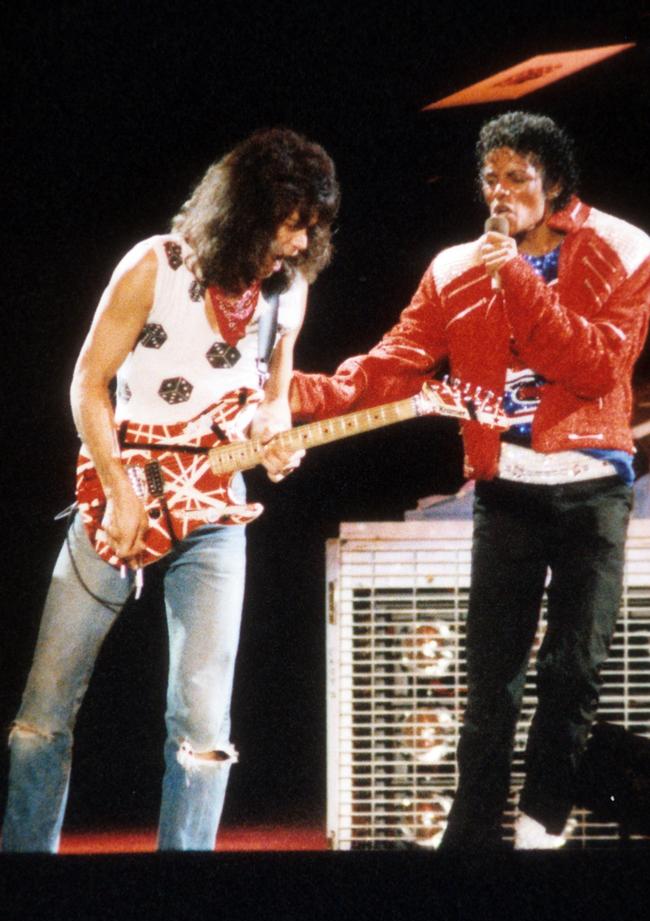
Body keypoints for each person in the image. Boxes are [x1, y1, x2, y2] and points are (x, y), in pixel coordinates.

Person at [289, 111, 650, 849]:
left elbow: (586, 365)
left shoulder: (624, 247)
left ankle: (540, 825)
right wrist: (296, 397)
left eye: (517, 177)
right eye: (490, 178)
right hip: (507, 492)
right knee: (492, 682)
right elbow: (393, 363)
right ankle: (469, 838)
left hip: (593, 489)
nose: (500, 192)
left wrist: (512, 273)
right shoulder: (455, 267)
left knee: (573, 672)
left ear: (553, 183)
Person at [2, 127, 339, 852]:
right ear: (247, 210)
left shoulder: (290, 293)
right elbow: (87, 383)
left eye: (309, 228)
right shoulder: (155, 265)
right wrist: (120, 491)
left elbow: (271, 402)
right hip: (124, 484)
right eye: (288, 224)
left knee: (204, 728)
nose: (296, 243)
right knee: (42, 715)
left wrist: (280, 441)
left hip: (215, 503)